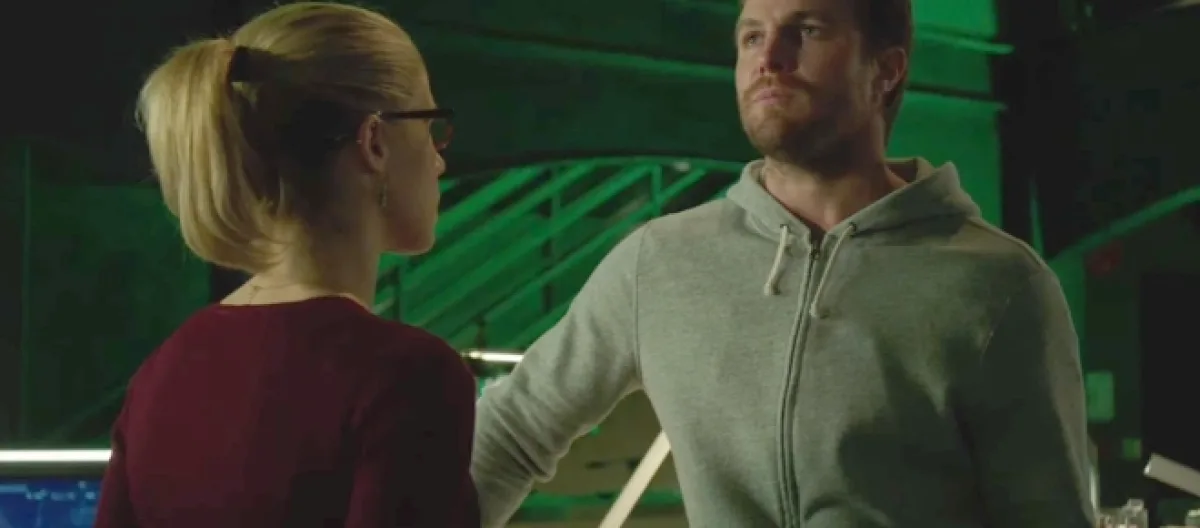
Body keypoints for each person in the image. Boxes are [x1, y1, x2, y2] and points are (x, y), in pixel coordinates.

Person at [471, 0, 1094, 526]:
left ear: (885, 70)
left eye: (807, 31)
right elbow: (509, 436)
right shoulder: (658, 262)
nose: (768, 58)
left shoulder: (997, 284)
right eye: (751, 37)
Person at [93, 3, 477, 527]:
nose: (438, 159)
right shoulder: (410, 377)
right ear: (374, 142)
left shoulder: (163, 372)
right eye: (430, 126)